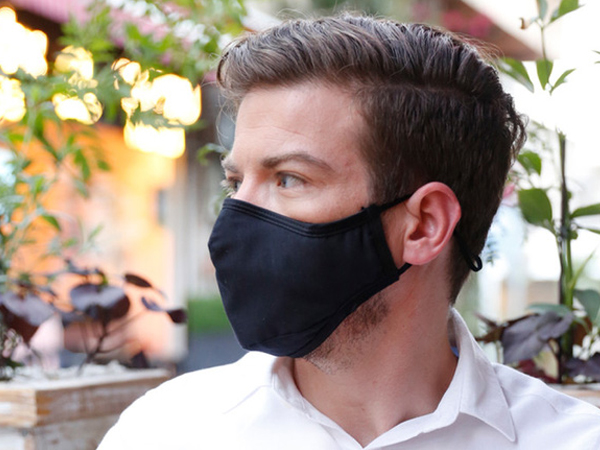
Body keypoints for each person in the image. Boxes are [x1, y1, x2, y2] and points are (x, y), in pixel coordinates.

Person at [98, 14, 600, 449]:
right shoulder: (164, 432)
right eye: (235, 182)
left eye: (288, 179)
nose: (234, 219)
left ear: (424, 225)